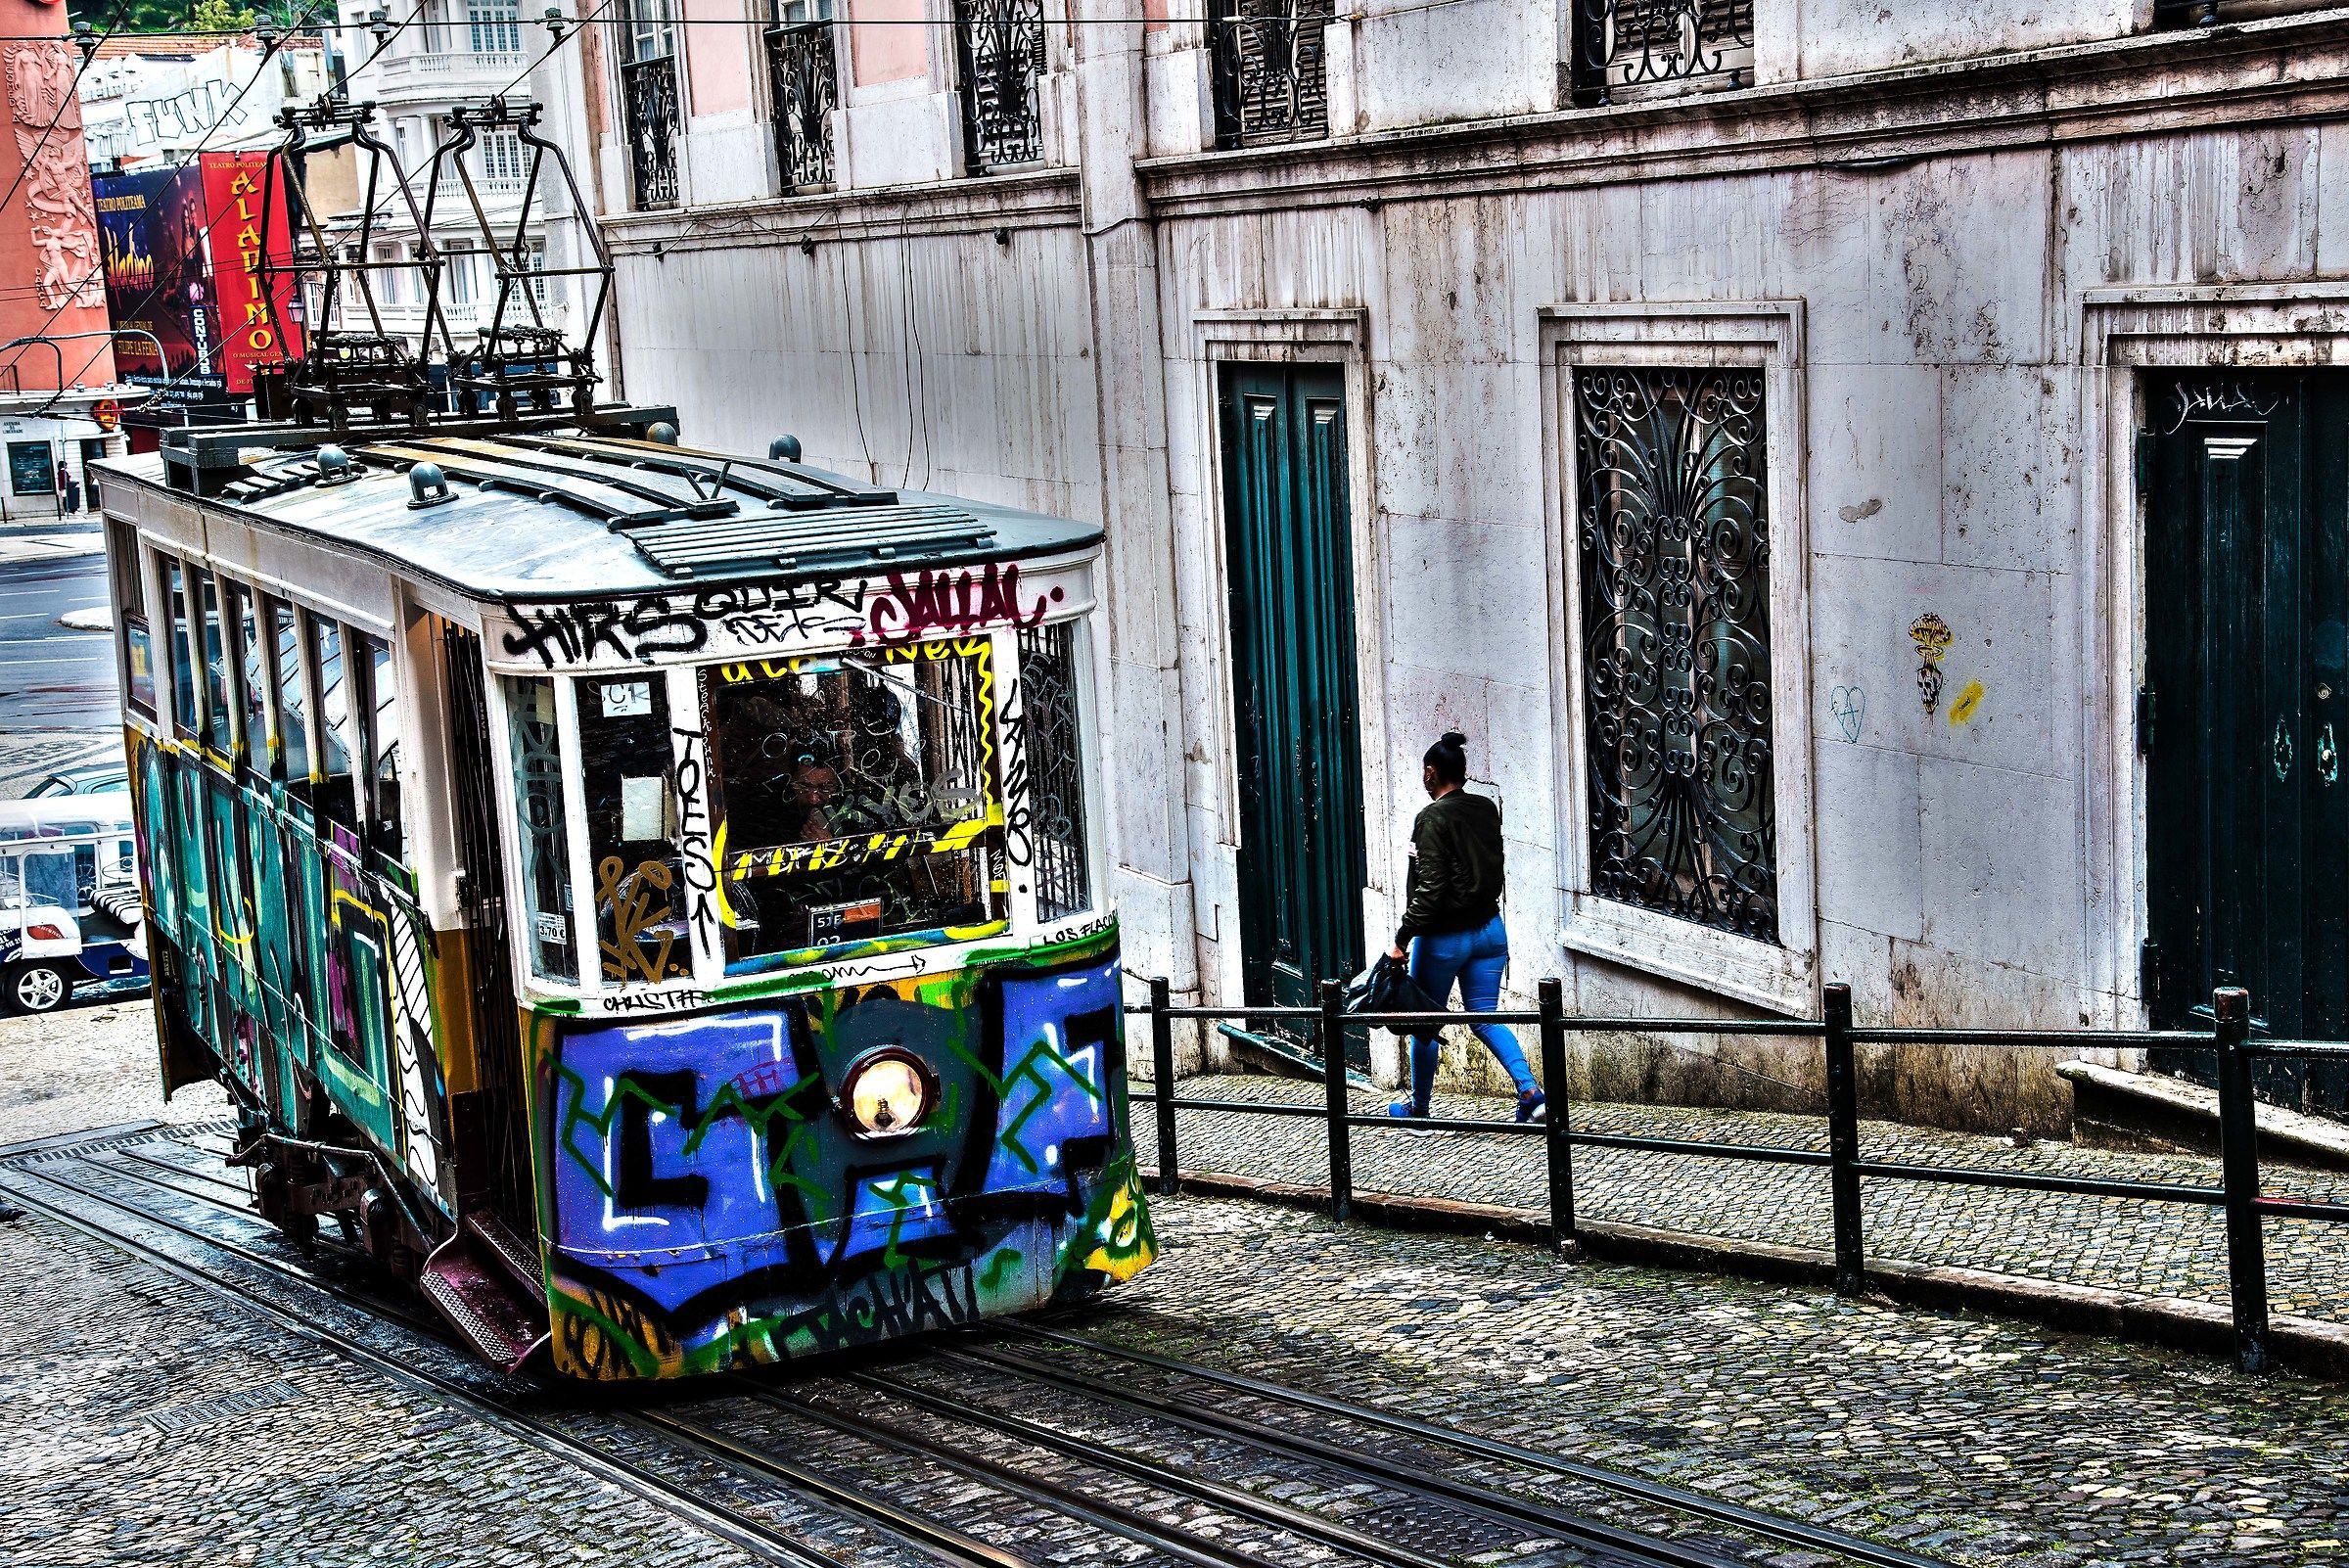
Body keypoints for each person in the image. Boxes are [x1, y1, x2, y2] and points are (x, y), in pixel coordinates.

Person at [1387, 730, 1546, 1124]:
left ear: (1430, 773)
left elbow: (1430, 890)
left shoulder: (1430, 818)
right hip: (1491, 930)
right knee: (1485, 1017)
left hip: (1444, 938)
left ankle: (1418, 1109)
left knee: (1424, 1024)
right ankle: (1531, 1093)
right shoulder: (1485, 808)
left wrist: (1401, 939)